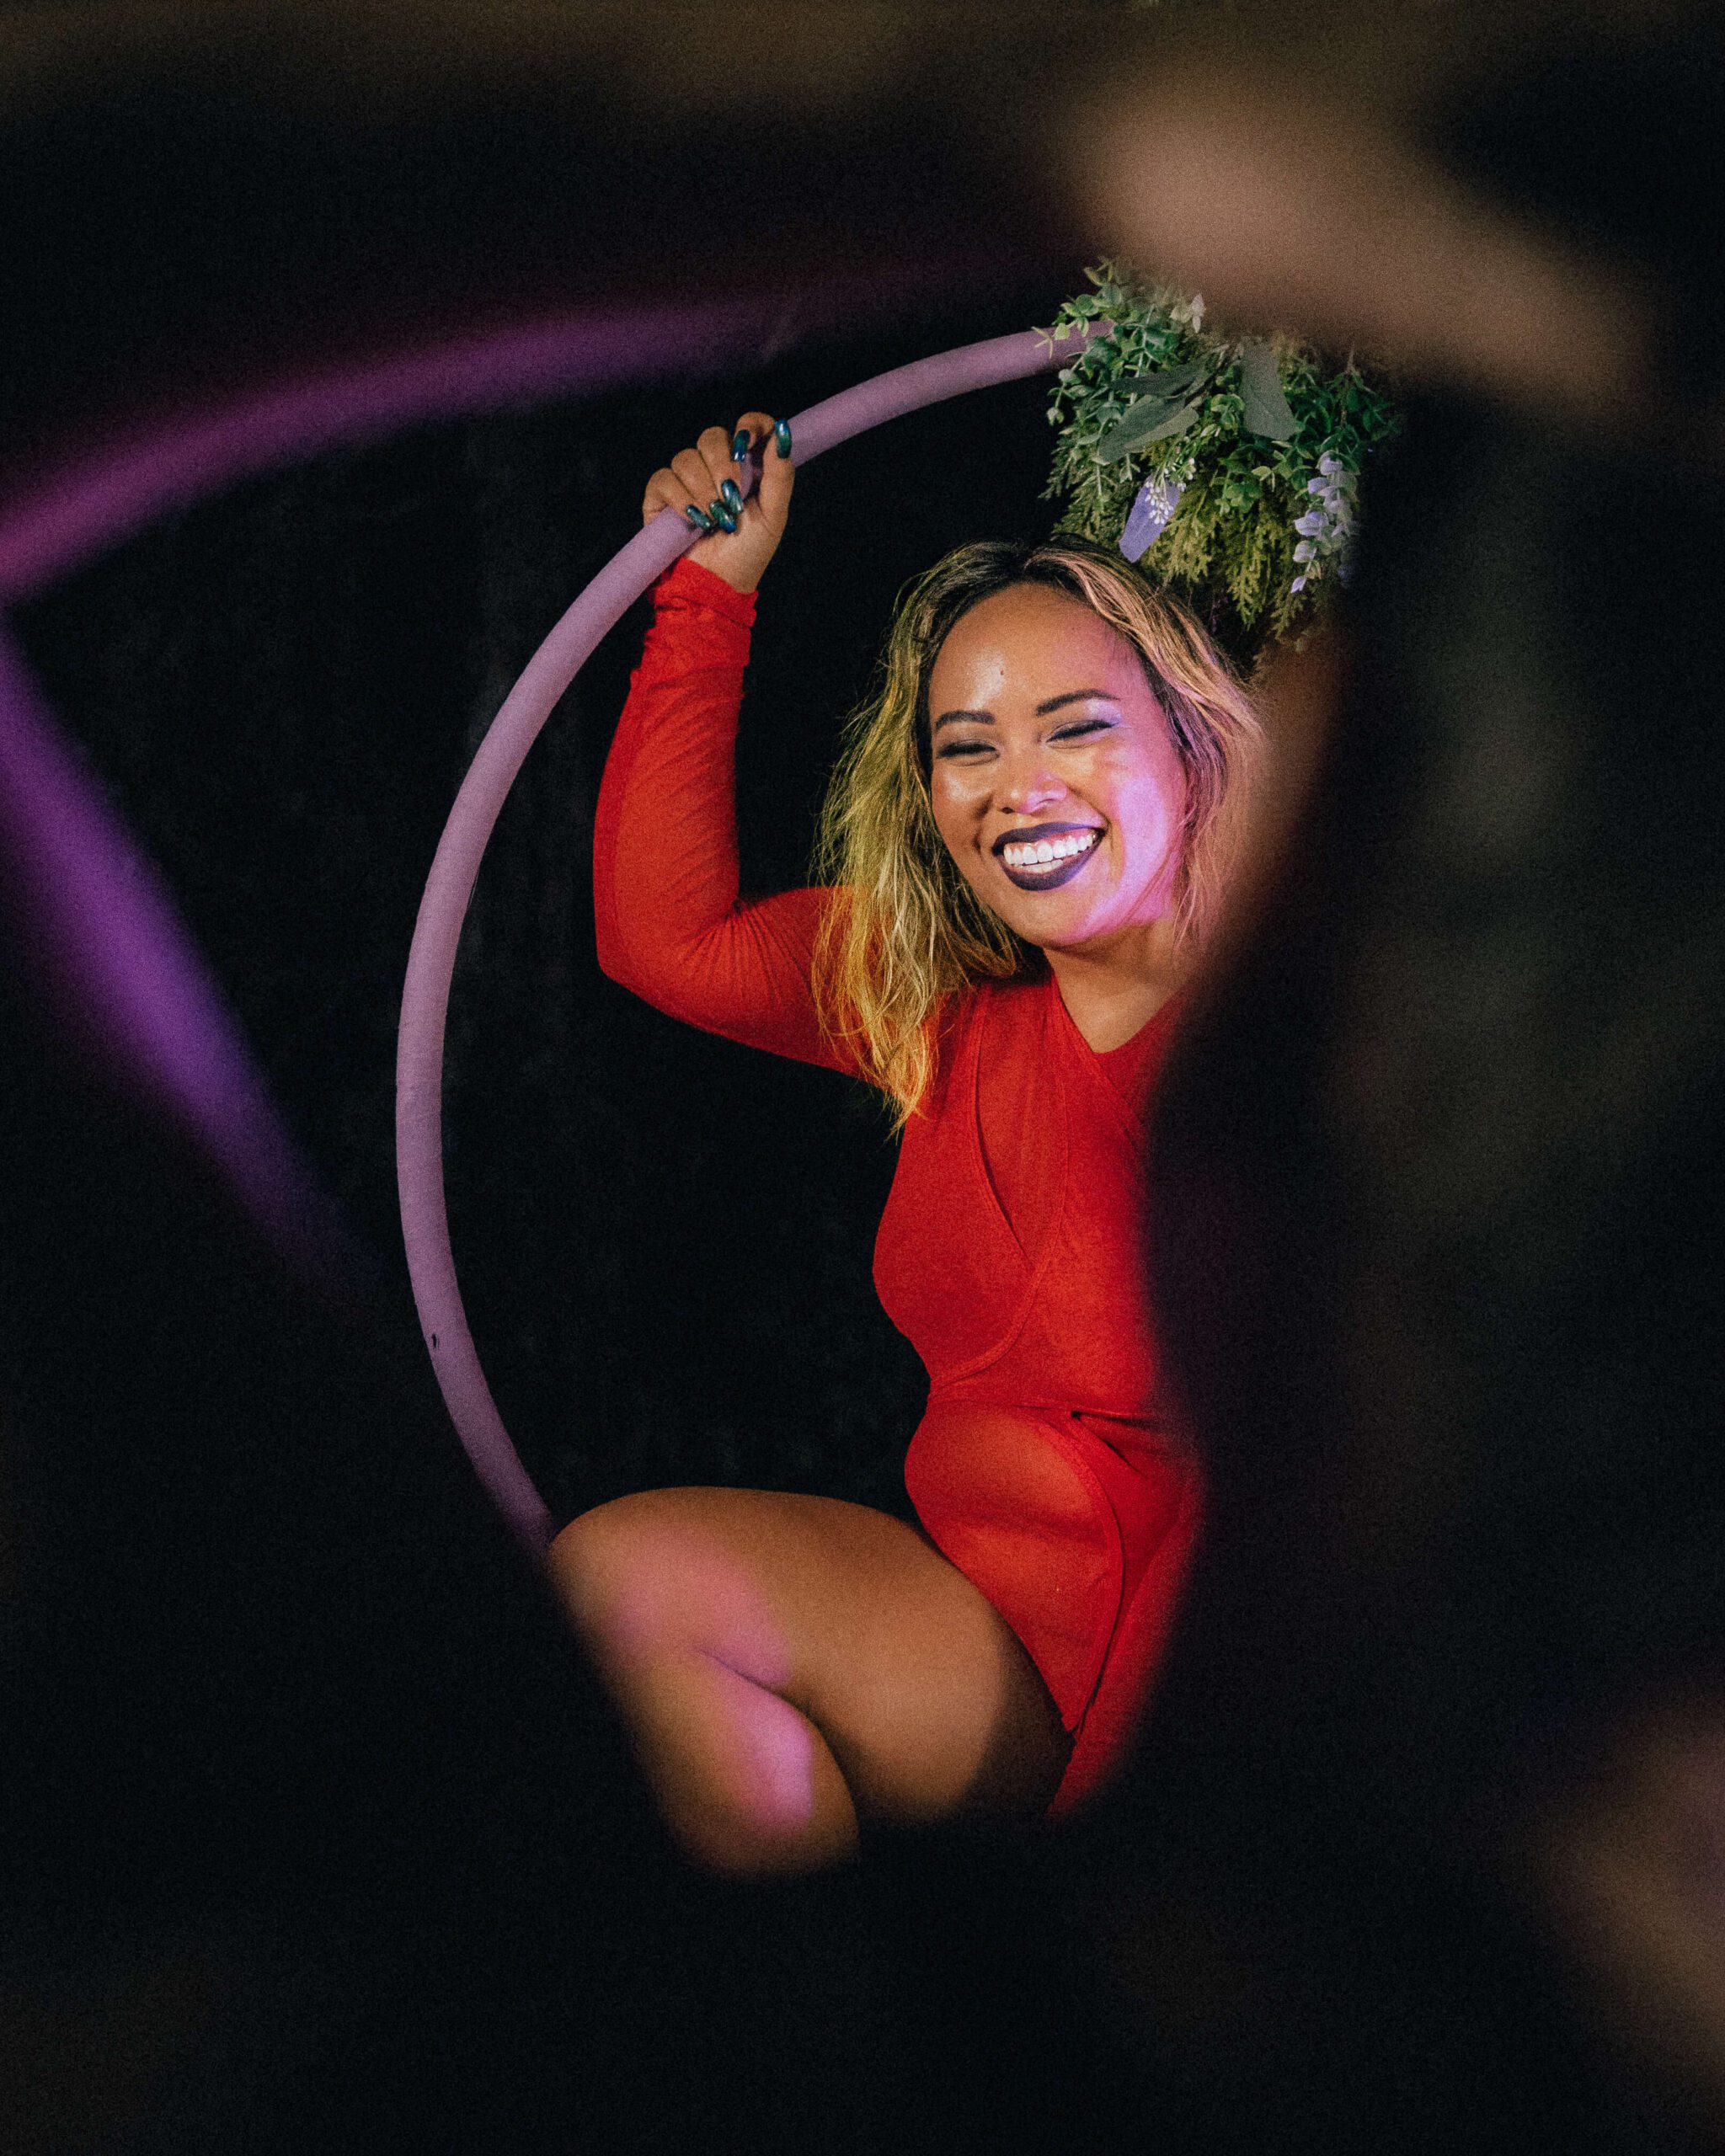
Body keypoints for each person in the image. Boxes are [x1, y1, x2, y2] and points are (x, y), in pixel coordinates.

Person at [549, 411, 1262, 1873]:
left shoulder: (1287, 1037)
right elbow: (665, 941)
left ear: (1189, 743)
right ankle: (826, 2042)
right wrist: (712, 590)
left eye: (1076, 727)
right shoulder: (938, 1002)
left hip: (1209, 1695)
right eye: (968, 747)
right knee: (620, 1583)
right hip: (979, 1644)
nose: (1020, 784)